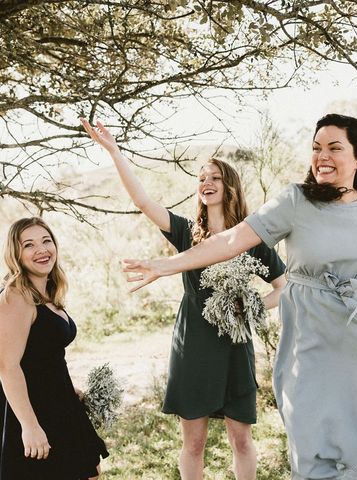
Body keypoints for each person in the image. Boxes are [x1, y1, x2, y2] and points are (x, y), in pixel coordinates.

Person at [121, 113, 357, 479]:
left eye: (335, 148)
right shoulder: (295, 201)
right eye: (317, 148)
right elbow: (230, 240)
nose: (323, 156)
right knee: (317, 442)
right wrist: (168, 265)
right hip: (311, 345)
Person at [81, 119, 286, 480]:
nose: (206, 183)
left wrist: (250, 308)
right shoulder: (186, 233)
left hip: (236, 348)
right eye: (201, 178)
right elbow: (143, 201)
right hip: (193, 346)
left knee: (242, 440)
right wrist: (115, 153)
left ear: (230, 186)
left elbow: (285, 288)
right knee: (193, 443)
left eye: (215, 177)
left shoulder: (252, 237)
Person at [0, 217, 109, 480]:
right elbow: (7, 366)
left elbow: (41, 355)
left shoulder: (47, 293)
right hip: (33, 410)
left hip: (60, 402)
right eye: (29, 244)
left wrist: (67, 388)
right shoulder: (17, 296)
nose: (41, 250)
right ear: (16, 254)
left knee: (89, 470)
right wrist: (30, 426)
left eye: (46, 241)